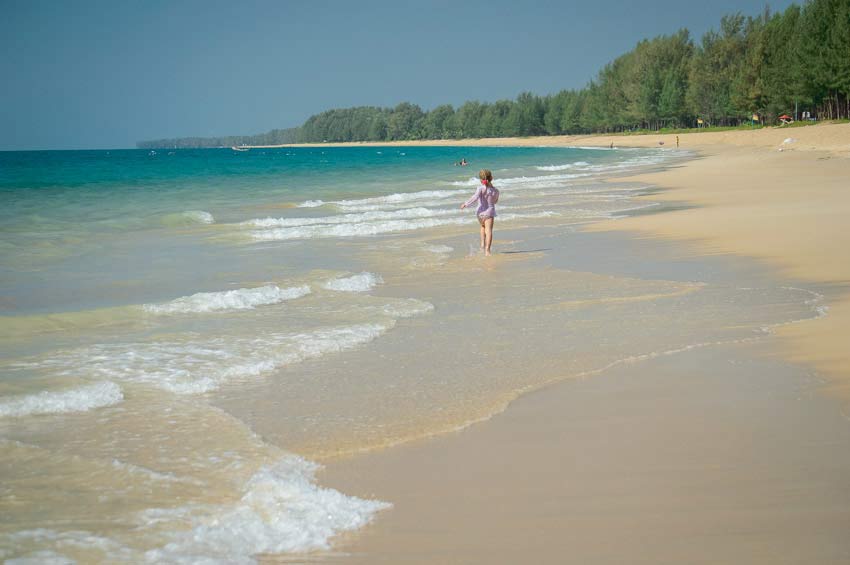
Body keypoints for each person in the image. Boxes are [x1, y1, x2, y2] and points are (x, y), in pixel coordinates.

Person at [461, 169, 500, 256]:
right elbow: (495, 201)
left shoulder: (480, 188)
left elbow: (474, 198)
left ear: (480, 180)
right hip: (489, 212)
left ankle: (482, 245)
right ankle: (487, 250)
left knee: (483, 226)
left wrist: (465, 204)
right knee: (489, 230)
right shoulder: (496, 191)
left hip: (479, 213)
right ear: (492, 178)